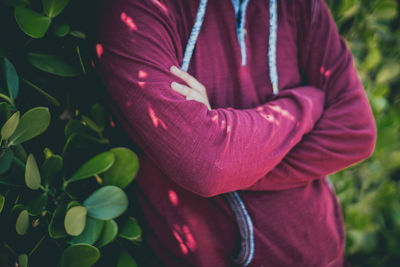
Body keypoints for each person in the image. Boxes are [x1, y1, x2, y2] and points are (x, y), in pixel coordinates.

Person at [94, 0, 377, 266]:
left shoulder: (303, 6)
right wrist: (310, 102)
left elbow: (357, 131)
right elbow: (208, 165)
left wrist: (233, 148)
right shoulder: (135, 12)